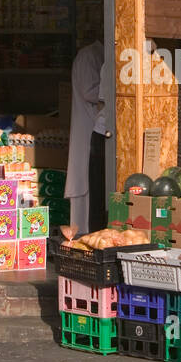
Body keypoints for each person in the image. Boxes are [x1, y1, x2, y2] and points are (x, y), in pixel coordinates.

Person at [65, 38, 107, 234]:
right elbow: (90, 92)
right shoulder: (88, 56)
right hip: (90, 130)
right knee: (86, 188)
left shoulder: (100, 55)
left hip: (98, 131)